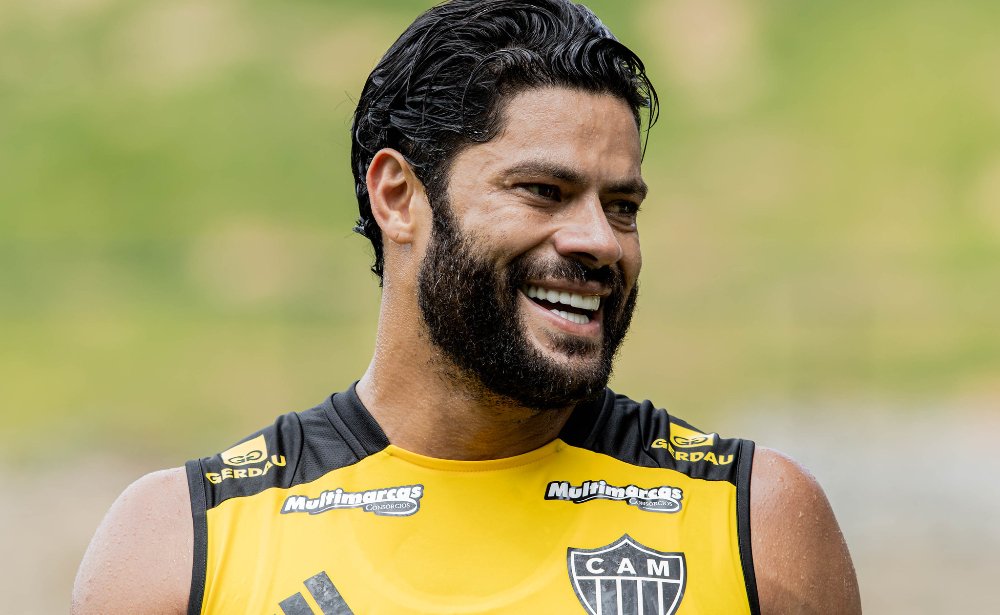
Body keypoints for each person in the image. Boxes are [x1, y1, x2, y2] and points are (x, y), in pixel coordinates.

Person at [72, 1, 861, 613]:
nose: (600, 240)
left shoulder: (758, 526)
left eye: (622, 207)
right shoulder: (178, 548)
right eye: (543, 190)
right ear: (397, 196)